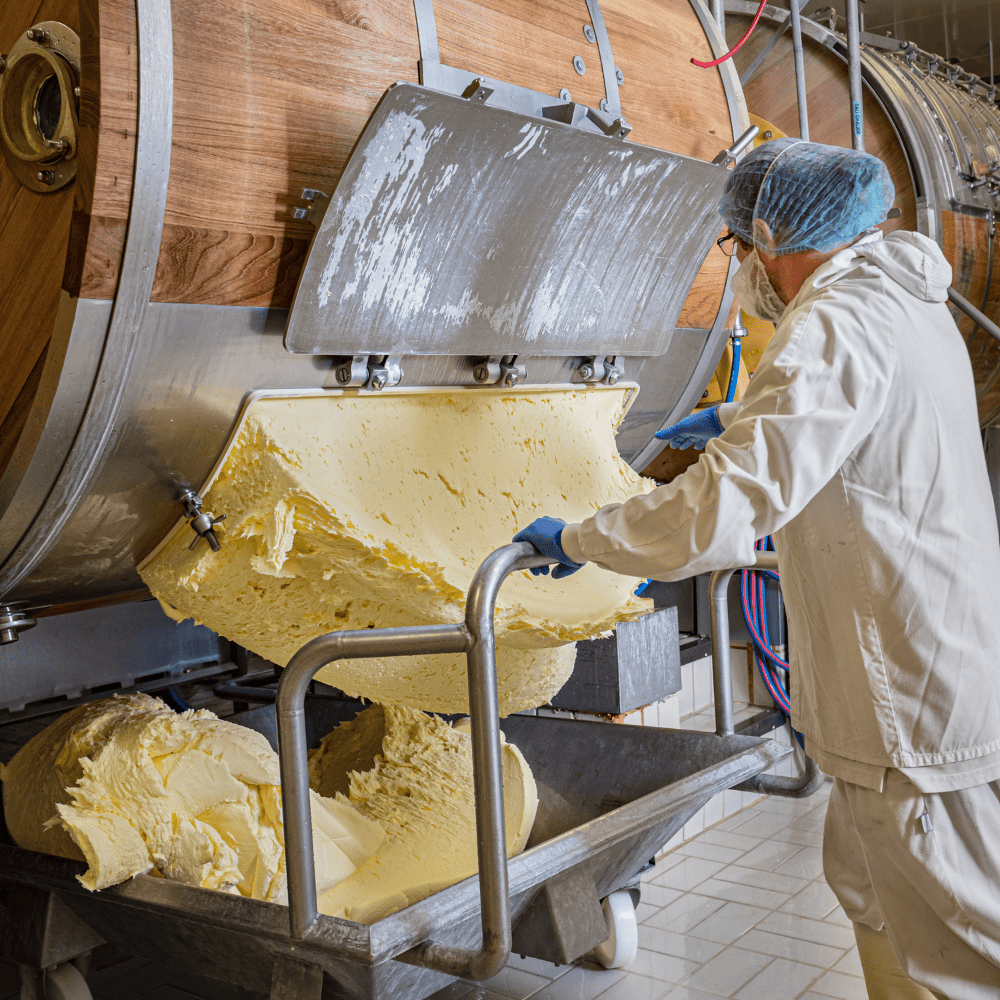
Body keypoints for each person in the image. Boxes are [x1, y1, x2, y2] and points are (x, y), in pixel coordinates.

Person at [513, 138, 1000, 999]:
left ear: (775, 233)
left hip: (906, 699)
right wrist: (739, 415)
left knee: (957, 943)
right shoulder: (901, 298)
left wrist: (579, 539)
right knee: (868, 889)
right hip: (912, 670)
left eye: (740, 246)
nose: (744, 266)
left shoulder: (831, 319)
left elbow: (721, 510)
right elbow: (857, 408)